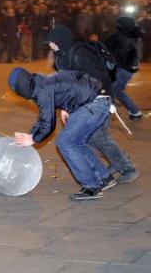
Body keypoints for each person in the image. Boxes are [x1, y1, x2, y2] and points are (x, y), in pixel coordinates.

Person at [45, 26, 139, 184]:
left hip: (100, 98)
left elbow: (100, 77)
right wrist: (66, 107)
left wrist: (106, 101)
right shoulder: (61, 56)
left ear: (60, 40)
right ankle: (118, 160)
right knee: (86, 137)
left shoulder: (79, 54)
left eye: (51, 42)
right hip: (84, 101)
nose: (49, 45)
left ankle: (127, 167)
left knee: (98, 136)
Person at [8, 67, 114, 201]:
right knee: (76, 141)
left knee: (65, 142)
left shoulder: (41, 91)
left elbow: (49, 125)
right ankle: (104, 177)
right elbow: (72, 80)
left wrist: (34, 139)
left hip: (94, 104)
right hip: (95, 99)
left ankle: (91, 186)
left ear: (21, 88)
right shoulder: (39, 82)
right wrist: (67, 105)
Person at [105, 17, 143, 121]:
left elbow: (104, 47)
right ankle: (133, 111)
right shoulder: (136, 35)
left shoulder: (119, 36)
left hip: (122, 68)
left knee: (114, 90)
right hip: (132, 68)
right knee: (115, 90)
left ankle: (135, 111)